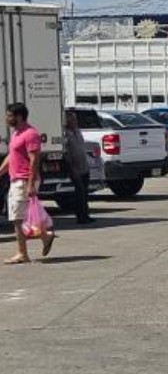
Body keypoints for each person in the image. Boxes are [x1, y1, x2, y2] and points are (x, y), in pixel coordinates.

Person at [0, 103, 55, 264]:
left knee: (17, 218)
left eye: (9, 115)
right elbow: (11, 157)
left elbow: (34, 160)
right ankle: (46, 236)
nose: (6, 118)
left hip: (24, 180)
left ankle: (22, 253)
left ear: (18, 116)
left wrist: (30, 184)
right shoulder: (17, 133)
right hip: (16, 179)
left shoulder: (30, 134)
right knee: (23, 218)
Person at [64, 111, 94, 224]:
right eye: (71, 119)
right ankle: (80, 216)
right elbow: (67, 153)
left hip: (84, 166)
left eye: (75, 119)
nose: (74, 121)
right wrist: (72, 168)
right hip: (75, 167)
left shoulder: (78, 132)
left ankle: (86, 214)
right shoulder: (66, 134)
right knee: (80, 192)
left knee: (85, 192)